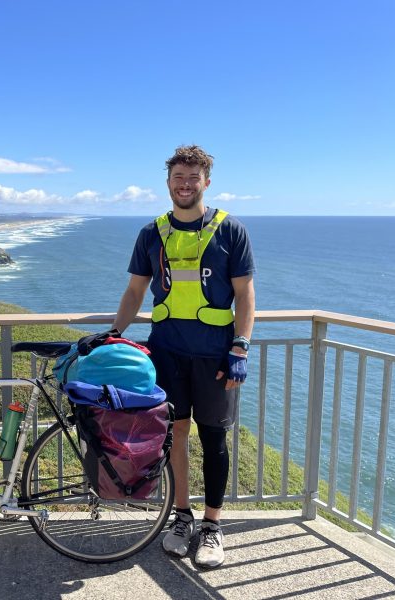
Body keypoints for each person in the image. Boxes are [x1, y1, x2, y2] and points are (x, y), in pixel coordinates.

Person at [112, 145, 256, 568]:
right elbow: (136, 291)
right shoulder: (151, 234)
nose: (186, 185)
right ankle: (182, 517)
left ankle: (212, 526)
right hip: (167, 353)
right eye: (179, 178)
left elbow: (246, 295)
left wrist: (240, 346)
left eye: (194, 178)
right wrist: (113, 334)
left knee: (214, 439)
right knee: (174, 436)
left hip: (216, 356)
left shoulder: (232, 232)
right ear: (168, 182)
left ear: (206, 182)